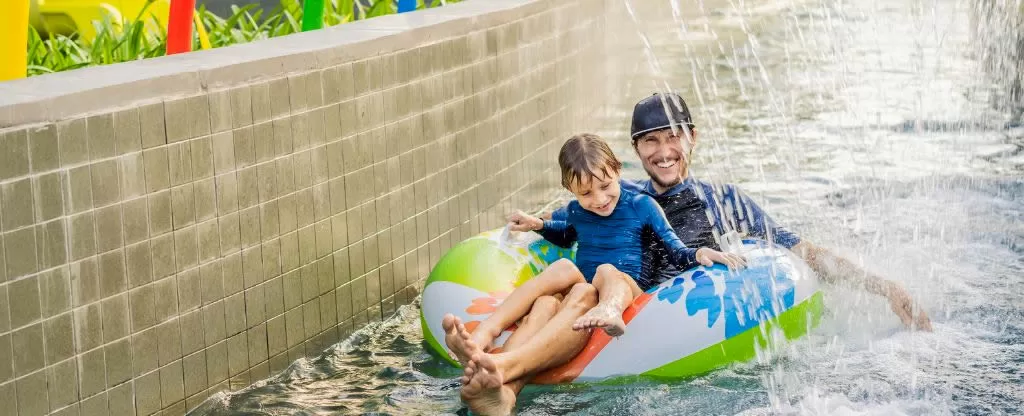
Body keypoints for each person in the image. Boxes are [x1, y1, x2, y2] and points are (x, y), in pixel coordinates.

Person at [448, 92, 933, 415]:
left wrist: (884, 287)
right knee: (554, 298)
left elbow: (802, 250)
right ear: (636, 149)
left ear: (692, 138)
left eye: (674, 137)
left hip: (660, 326)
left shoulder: (724, 203)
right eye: (651, 141)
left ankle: (503, 375)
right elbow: (561, 230)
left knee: (582, 295)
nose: (664, 151)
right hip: (600, 308)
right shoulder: (616, 194)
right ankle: (502, 385)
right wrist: (527, 229)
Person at [441, 133, 743, 408]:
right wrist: (539, 225)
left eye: (605, 186)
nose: (598, 200)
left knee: (606, 271)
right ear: (569, 189)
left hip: (627, 293)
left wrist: (700, 252)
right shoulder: (576, 211)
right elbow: (565, 232)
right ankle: (492, 359)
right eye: (585, 194)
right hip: (587, 295)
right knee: (554, 290)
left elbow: (675, 250)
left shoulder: (642, 205)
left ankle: (505, 360)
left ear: (617, 170)